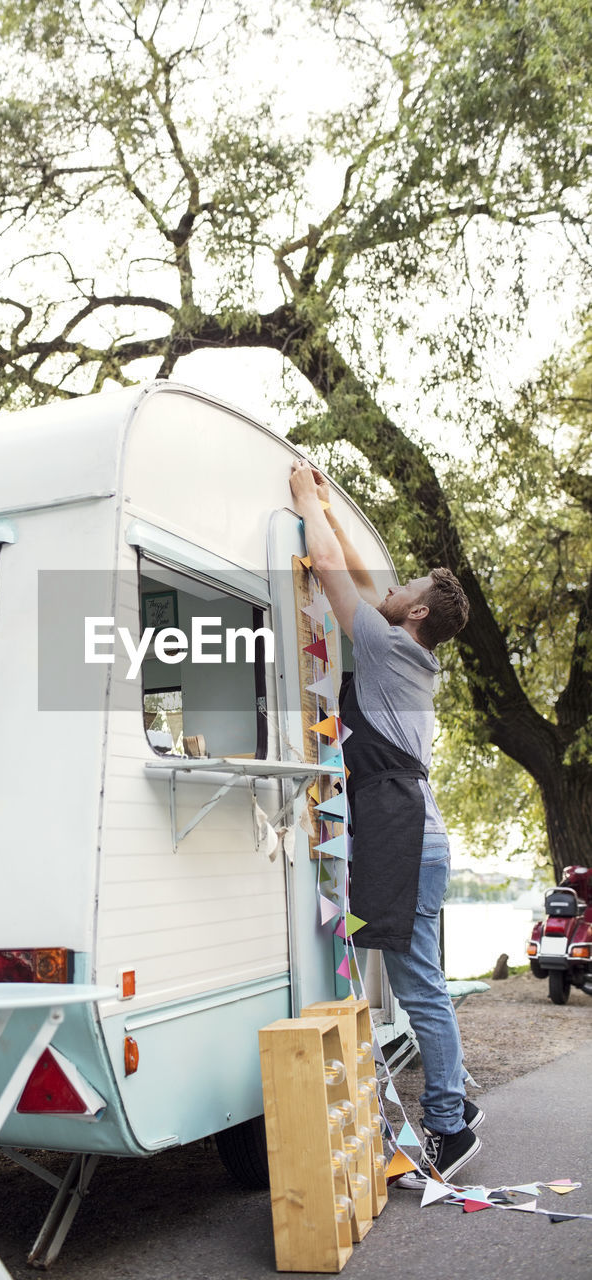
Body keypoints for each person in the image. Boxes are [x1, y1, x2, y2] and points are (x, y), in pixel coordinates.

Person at [289, 458, 482, 1188]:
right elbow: (367, 585)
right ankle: (452, 1097)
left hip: (405, 835)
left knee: (418, 984)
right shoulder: (403, 651)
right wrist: (330, 509)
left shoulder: (384, 646)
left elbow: (337, 572)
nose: (391, 591)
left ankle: (448, 1124)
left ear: (417, 615)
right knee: (418, 978)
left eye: (406, 590)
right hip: (413, 833)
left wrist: (308, 499)